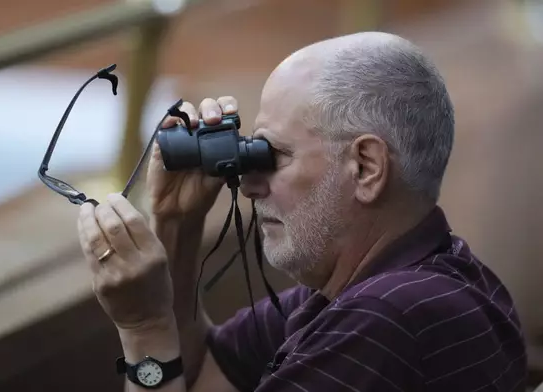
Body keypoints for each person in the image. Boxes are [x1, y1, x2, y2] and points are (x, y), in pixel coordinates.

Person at [76, 32, 527, 392]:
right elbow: (202, 378)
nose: (250, 185)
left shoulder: (386, 319)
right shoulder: (408, 280)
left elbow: (169, 367)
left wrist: (144, 326)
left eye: (272, 155)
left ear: (366, 166)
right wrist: (178, 224)